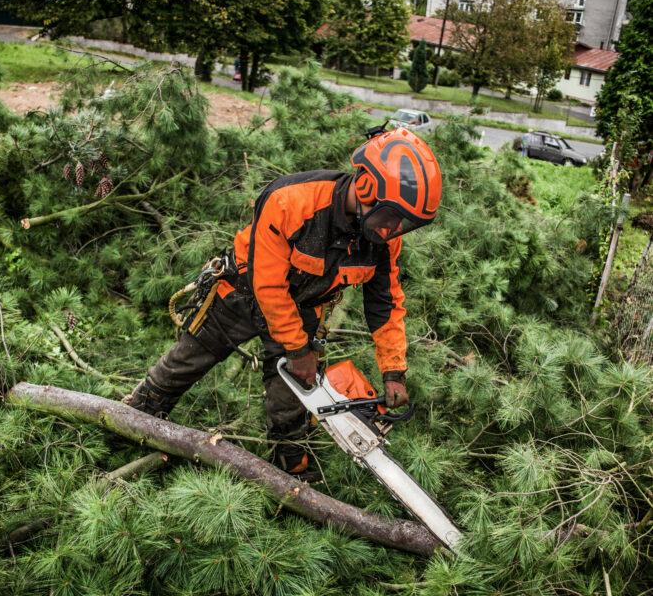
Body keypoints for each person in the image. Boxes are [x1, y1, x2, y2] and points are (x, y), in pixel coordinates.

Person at [125, 126, 442, 475]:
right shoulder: (292, 201)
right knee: (184, 363)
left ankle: (291, 480)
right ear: (366, 185)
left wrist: (394, 371)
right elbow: (269, 286)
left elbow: (386, 305)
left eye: (402, 223)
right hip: (242, 293)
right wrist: (298, 350)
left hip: (305, 308)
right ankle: (129, 421)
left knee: (291, 404)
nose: (393, 229)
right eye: (391, 216)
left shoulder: (383, 237)